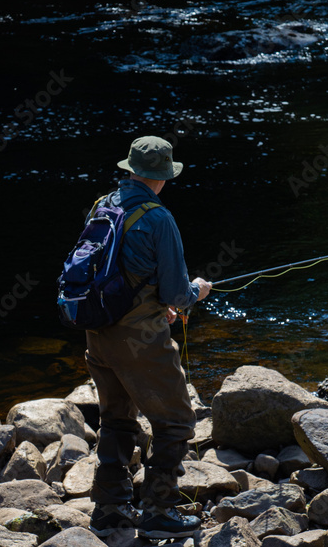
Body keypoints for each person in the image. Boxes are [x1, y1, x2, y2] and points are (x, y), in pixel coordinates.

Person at [86, 135, 212, 540]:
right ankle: (158, 512)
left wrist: (160, 302)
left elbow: (113, 273)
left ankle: (109, 508)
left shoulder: (102, 205)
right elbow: (177, 292)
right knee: (175, 421)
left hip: (97, 332)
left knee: (116, 418)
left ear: (130, 170)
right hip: (140, 339)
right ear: (161, 177)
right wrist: (196, 291)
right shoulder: (159, 218)